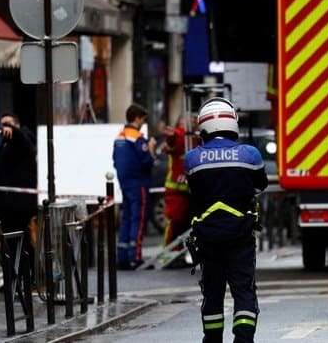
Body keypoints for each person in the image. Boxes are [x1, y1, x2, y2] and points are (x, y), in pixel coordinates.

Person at [184, 97, 268, 343]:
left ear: (203, 126)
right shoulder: (250, 154)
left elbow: (193, 191)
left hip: (207, 239)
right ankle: (243, 338)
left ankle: (212, 340)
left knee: (212, 293)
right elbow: (260, 184)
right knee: (243, 292)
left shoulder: (192, 159)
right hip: (240, 237)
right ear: (232, 122)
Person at [113, 104, 156, 270]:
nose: (143, 122)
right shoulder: (138, 138)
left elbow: (116, 161)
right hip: (139, 184)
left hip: (124, 183)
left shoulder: (119, 137)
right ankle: (135, 257)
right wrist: (151, 149)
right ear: (137, 118)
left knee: (126, 218)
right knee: (138, 219)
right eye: (143, 119)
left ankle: (123, 256)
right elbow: (147, 161)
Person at [0, 113, 37, 243]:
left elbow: (23, 141)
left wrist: (14, 131)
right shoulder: (4, 144)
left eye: (8, 124)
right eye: (3, 125)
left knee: (22, 243)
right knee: (10, 243)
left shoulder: (22, 138)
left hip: (19, 206)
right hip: (7, 205)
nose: (5, 128)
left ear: (16, 125)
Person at [162, 116, 191, 249]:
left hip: (187, 190)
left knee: (184, 224)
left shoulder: (192, 137)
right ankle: (169, 252)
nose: (193, 121)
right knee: (175, 222)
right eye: (189, 119)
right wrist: (172, 135)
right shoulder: (180, 135)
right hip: (176, 190)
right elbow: (172, 141)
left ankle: (177, 251)